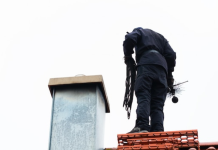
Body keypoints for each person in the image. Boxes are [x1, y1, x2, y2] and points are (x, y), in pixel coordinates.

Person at [123, 27, 176, 133]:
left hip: (146, 66)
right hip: (162, 72)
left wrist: (128, 55)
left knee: (144, 95)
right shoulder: (162, 39)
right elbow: (171, 55)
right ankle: (158, 130)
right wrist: (169, 76)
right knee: (157, 104)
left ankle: (142, 126)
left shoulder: (140, 31)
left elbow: (129, 38)